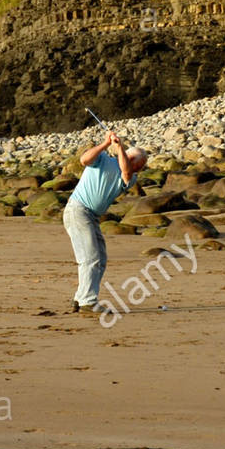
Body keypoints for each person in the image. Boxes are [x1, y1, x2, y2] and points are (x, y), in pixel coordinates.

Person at [63, 128, 149, 316]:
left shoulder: (130, 177)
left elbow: (126, 171)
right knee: (90, 257)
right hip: (78, 210)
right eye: (138, 163)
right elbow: (84, 160)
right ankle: (88, 301)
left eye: (140, 166)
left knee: (99, 258)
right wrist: (106, 144)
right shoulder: (103, 160)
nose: (138, 168)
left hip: (91, 216)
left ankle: (81, 297)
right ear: (129, 157)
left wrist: (119, 149)